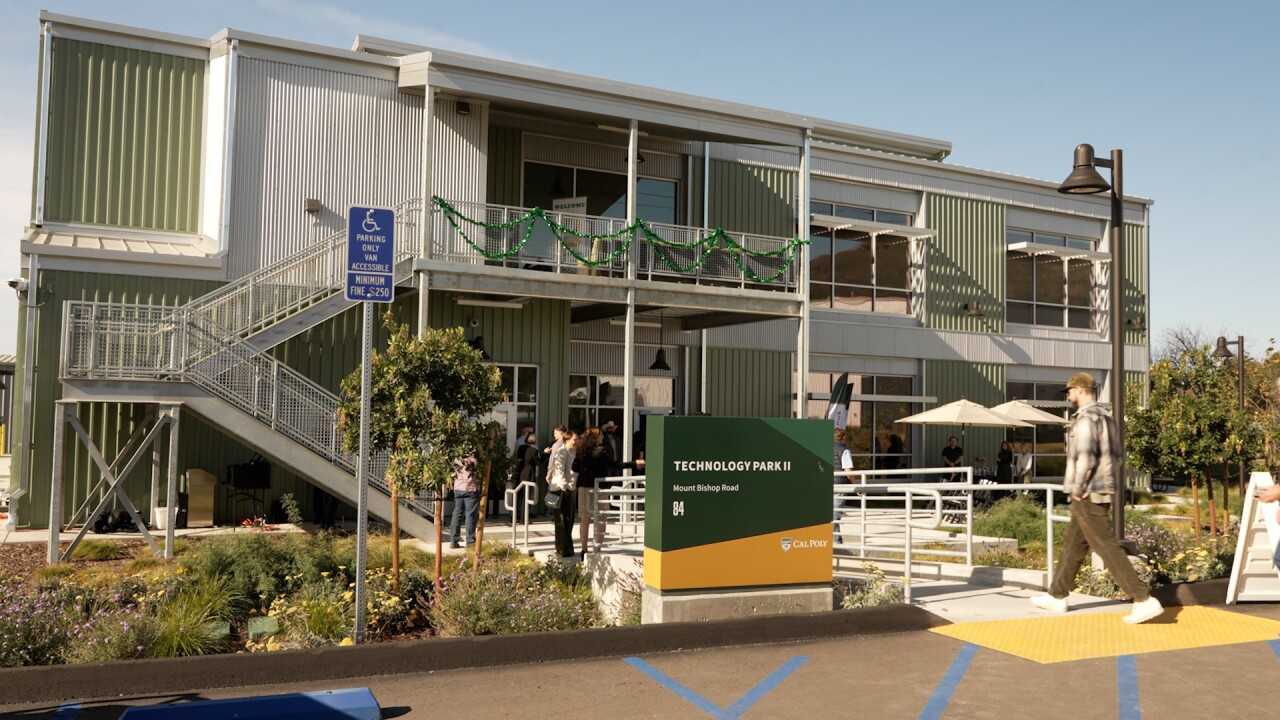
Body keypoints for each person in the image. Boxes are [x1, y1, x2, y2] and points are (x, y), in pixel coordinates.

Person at [1030, 372, 1163, 624]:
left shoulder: (1086, 420)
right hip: (1102, 488)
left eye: (1069, 392)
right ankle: (1057, 595)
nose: (1068, 396)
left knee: (1105, 545)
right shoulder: (1108, 419)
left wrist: (1078, 487)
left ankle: (1143, 599)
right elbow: (1117, 456)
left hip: (1088, 491)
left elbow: (1086, 458)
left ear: (1080, 390)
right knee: (1073, 544)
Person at [574, 427, 612, 557]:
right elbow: (613, 465)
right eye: (601, 435)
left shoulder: (581, 451)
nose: (603, 437)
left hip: (584, 487)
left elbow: (574, 467)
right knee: (601, 518)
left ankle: (584, 549)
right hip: (599, 488)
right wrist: (634, 463)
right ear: (596, 437)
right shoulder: (603, 451)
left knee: (585, 519)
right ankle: (597, 548)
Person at [547, 430, 578, 559]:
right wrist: (565, 487)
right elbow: (559, 471)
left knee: (569, 520)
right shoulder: (562, 451)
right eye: (574, 439)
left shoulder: (573, 451)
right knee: (561, 520)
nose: (576, 442)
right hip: (560, 490)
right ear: (567, 440)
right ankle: (562, 548)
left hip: (570, 489)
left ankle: (568, 547)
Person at [449, 456, 480, 549]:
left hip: (458, 489)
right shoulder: (472, 459)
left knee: (457, 515)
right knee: (470, 516)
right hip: (470, 490)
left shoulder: (456, 459)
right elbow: (476, 470)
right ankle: (470, 542)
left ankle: (453, 541)